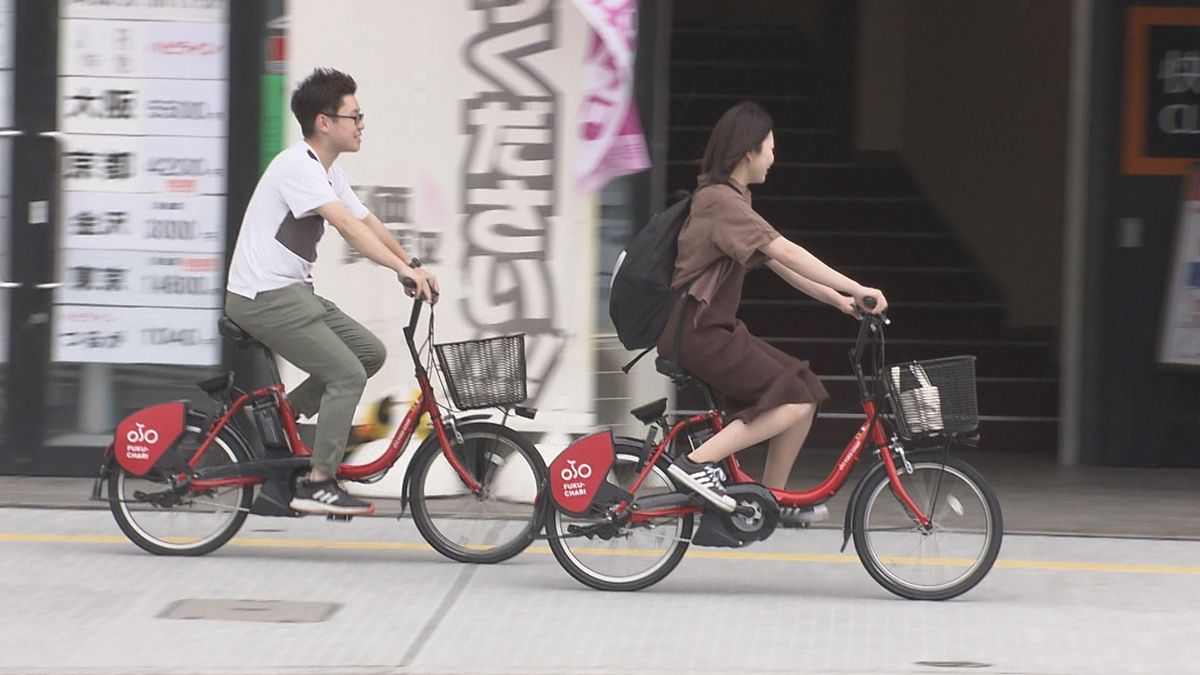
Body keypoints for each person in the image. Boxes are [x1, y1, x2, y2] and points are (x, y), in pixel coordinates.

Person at [661, 101, 887, 526]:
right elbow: (785, 249)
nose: (773, 156)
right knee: (794, 399)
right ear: (749, 151)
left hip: (712, 329)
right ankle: (694, 464)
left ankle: (771, 500)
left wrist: (839, 301)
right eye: (770, 147)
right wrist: (857, 286)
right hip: (698, 331)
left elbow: (778, 264)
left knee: (805, 387)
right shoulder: (720, 203)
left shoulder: (733, 199)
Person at [225, 68, 438, 516]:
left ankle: (277, 415)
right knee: (347, 375)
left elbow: (366, 223)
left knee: (369, 354)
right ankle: (318, 482)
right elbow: (343, 226)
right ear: (324, 122)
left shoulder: (327, 172)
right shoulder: (296, 167)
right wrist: (399, 268)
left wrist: (410, 265)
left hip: (292, 293)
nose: (362, 124)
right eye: (355, 116)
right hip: (263, 297)